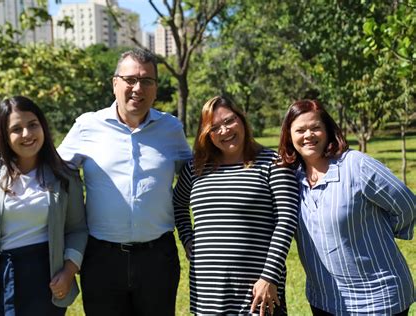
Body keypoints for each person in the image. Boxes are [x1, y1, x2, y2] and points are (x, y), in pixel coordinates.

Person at [57, 48, 192, 315]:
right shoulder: (87, 126)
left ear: (155, 89)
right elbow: (53, 170)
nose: (137, 88)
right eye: (130, 79)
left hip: (158, 258)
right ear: (115, 84)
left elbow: (197, 174)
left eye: (147, 81)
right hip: (101, 258)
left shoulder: (171, 129)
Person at [0, 96, 88, 315]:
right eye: (16, 129)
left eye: (32, 125)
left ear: (43, 126)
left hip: (45, 278)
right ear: (4, 135)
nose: (27, 134)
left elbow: (77, 229)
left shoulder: (64, 175)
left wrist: (69, 272)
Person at [278, 99, 415, 315]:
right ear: (289, 136)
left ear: (328, 130)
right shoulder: (291, 180)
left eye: (316, 128)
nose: (308, 135)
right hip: (325, 300)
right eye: (300, 130)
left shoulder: (356, 165)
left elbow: (406, 204)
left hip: (378, 300)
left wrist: (380, 232)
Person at [173, 96, 299, 315]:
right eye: (215, 127)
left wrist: (269, 277)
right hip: (208, 290)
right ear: (207, 134)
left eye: (229, 121)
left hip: (258, 289)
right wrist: (187, 239)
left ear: (242, 120)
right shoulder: (196, 168)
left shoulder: (272, 163)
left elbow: (287, 219)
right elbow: (178, 205)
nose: (224, 130)